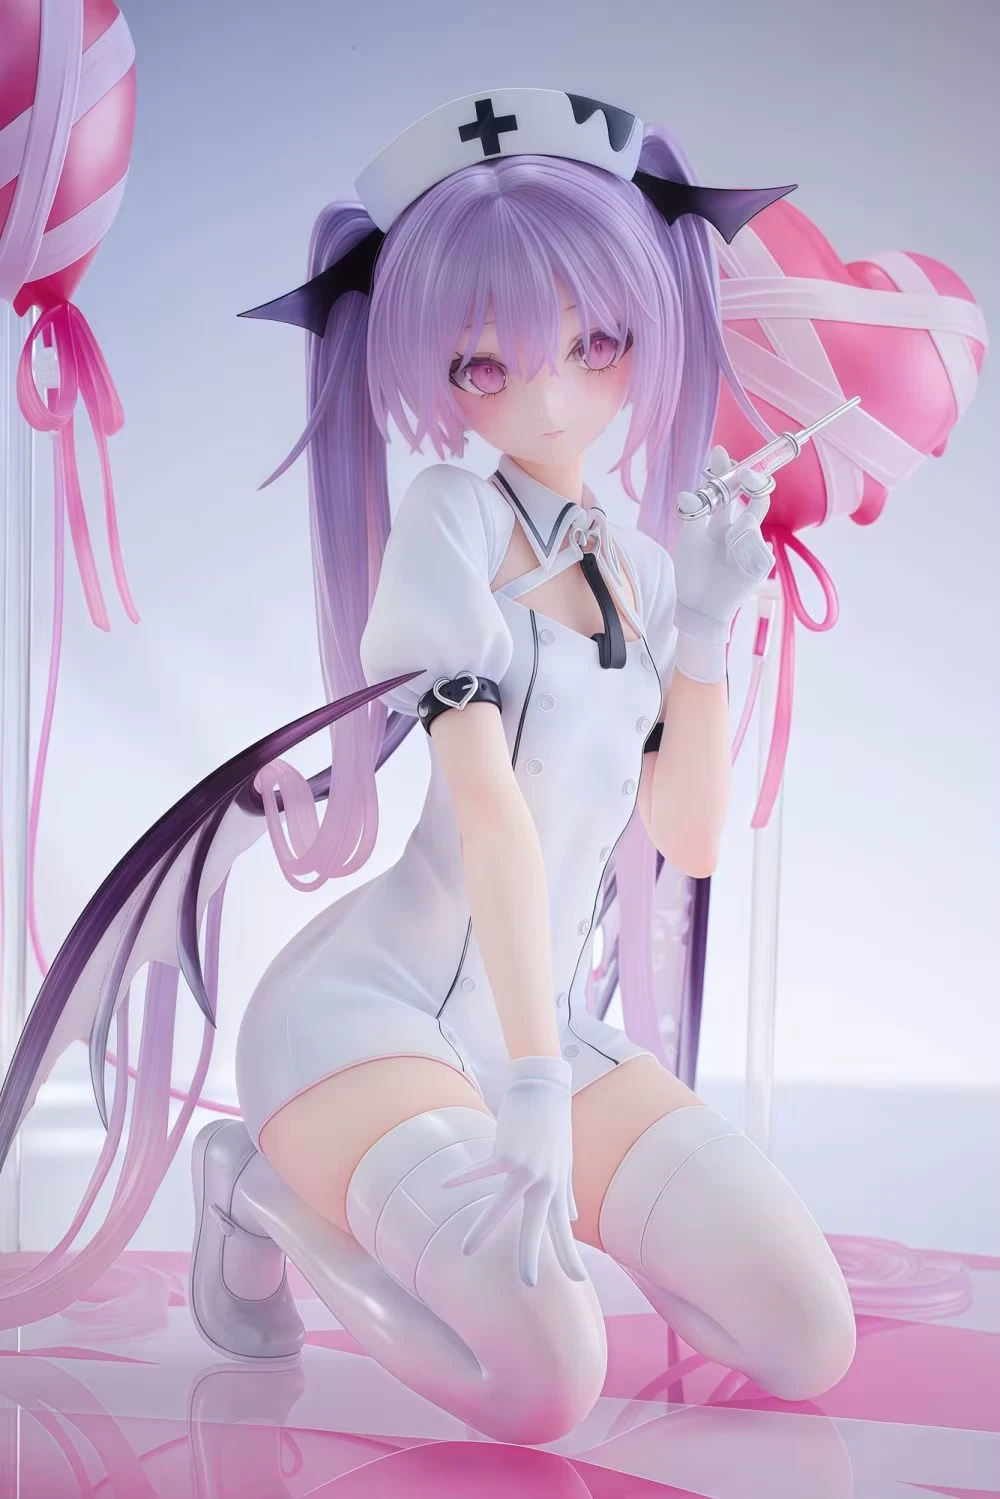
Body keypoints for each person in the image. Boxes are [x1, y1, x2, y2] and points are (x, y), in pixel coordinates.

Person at [0, 89, 855, 1445]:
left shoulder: (640, 565)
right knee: (543, 1380)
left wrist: (706, 624)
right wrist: (533, 1088)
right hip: (367, 1020)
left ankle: (509, 1208)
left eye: (595, 342)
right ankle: (258, 1185)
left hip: (539, 1028)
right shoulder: (452, 519)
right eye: (485, 365)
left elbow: (687, 839)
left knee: (805, 1333)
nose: (551, 391)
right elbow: (492, 815)